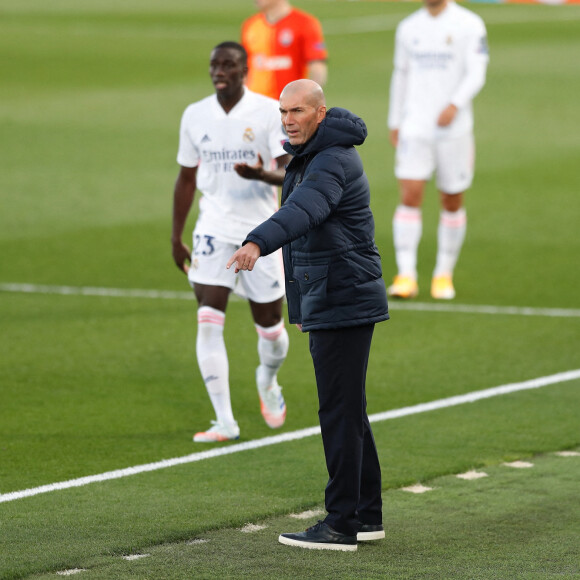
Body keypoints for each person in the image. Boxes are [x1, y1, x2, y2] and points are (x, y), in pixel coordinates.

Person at [227, 80, 389, 551]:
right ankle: (365, 514)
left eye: (298, 111)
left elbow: (306, 211)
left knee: (339, 412)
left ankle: (341, 523)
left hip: (343, 297)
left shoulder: (331, 159)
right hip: (338, 294)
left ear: (320, 113)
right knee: (349, 410)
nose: (288, 119)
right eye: (282, 112)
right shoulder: (319, 154)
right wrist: (302, 307)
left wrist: (257, 240)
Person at [172, 41, 292, 443]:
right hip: (212, 230)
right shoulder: (195, 115)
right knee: (208, 318)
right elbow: (186, 178)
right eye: (214, 64)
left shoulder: (267, 112)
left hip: (262, 232)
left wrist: (261, 176)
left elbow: (290, 171)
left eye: (228, 64)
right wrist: (176, 235)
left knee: (271, 330)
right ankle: (224, 421)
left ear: (245, 70)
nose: (219, 70)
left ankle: (268, 381)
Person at [386, 0, 489, 300]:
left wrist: (455, 103)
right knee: (409, 195)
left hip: (453, 129)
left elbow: (477, 72)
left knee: (451, 198)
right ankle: (406, 274)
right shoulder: (408, 27)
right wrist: (395, 119)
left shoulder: (470, 23)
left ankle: (444, 273)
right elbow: (400, 74)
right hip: (415, 127)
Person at [241, 0, 328, 100]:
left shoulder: (305, 23)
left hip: (288, 105)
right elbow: (244, 66)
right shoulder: (250, 25)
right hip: (256, 104)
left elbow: (317, 67)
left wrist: (307, 98)